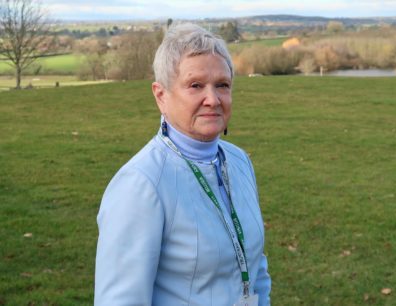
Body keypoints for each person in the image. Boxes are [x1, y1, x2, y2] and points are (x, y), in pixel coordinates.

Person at [95, 23, 271, 306]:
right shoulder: (141, 184)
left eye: (222, 85)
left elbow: (256, 268)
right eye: (195, 85)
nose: (212, 99)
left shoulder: (238, 161)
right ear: (161, 95)